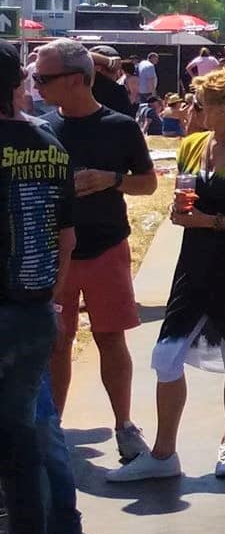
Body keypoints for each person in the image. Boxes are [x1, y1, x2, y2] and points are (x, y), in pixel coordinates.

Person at [110, 63, 225, 485]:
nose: (192, 109)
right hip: (195, 265)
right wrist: (183, 213)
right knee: (166, 357)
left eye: (201, 104)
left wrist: (209, 221)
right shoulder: (192, 145)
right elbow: (184, 202)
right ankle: (164, 453)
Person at [33, 38, 155, 462]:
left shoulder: (119, 127)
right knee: (57, 342)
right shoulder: (42, 129)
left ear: (77, 80)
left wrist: (111, 179)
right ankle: (54, 432)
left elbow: (149, 183)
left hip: (106, 248)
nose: (36, 83)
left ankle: (124, 425)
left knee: (109, 337)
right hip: (57, 255)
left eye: (44, 77)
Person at [0, 46, 82, 534]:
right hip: (33, 309)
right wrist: (50, 298)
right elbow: (66, 238)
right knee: (28, 441)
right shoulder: (49, 144)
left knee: (20, 448)